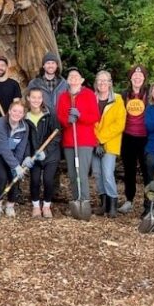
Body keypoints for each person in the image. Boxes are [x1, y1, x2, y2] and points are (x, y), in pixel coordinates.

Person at [56, 68, 100, 217]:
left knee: (81, 172)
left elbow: (94, 116)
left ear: (81, 80)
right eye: (70, 76)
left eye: (76, 76)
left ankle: (85, 201)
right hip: (69, 140)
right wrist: (67, 121)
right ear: (67, 80)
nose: (73, 78)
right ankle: (75, 200)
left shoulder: (89, 95)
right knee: (73, 173)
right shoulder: (63, 97)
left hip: (84, 141)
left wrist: (80, 116)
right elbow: (60, 115)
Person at [0, 99, 31, 218]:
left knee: (14, 177)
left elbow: (21, 148)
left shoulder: (24, 127)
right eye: (14, 111)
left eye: (20, 112)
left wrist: (17, 166)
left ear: (23, 114)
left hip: (12, 153)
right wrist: (15, 166)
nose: (16, 114)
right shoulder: (0, 123)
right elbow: (3, 148)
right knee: (2, 176)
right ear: (9, 111)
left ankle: (10, 205)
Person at [93, 70, 126, 218]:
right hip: (94, 143)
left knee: (107, 174)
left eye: (105, 80)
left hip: (110, 143)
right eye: (100, 80)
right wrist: (95, 141)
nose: (102, 83)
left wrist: (101, 139)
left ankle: (112, 204)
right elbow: (89, 122)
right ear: (96, 83)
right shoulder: (91, 99)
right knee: (98, 174)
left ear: (110, 83)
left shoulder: (117, 100)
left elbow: (119, 124)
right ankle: (103, 204)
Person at [24, 87, 60, 218]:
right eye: (33, 97)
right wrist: (27, 155)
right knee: (34, 180)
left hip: (51, 154)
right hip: (34, 155)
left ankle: (46, 206)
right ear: (28, 98)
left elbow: (57, 135)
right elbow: (25, 140)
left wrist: (46, 151)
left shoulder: (50, 114)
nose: (36, 100)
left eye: (39, 97)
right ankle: (35, 207)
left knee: (48, 180)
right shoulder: (25, 117)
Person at [120, 64, 149, 214]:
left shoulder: (150, 95)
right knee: (129, 170)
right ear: (131, 78)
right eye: (135, 75)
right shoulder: (124, 95)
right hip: (128, 136)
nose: (137, 78)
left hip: (145, 137)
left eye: (140, 75)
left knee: (147, 171)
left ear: (144, 78)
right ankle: (129, 200)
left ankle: (149, 203)